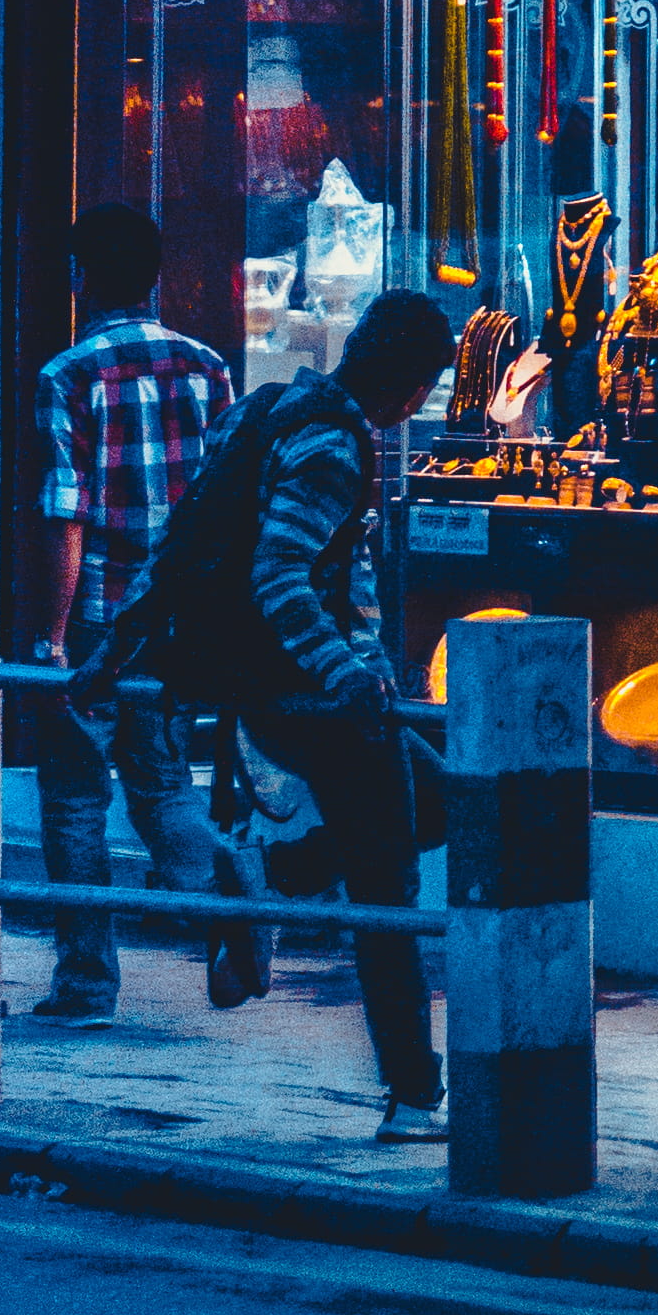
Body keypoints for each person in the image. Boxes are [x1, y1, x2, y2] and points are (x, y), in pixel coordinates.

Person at [219, 290, 458, 1135]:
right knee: (387, 892)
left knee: (449, 807)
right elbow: (281, 572)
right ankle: (413, 1093)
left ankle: (274, 881)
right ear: (410, 385)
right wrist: (347, 672)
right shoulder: (333, 444)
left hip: (302, 685)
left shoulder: (283, 408)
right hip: (319, 696)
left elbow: (326, 573)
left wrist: (372, 665)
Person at [26, 204, 257, 1026]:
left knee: (75, 798)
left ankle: (87, 983)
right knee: (161, 784)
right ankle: (223, 892)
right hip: (175, 621)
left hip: (96, 616)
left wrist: (50, 639)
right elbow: (228, 507)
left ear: (82, 279)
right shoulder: (207, 368)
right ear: (157, 277)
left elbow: (67, 517)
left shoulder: (69, 375)